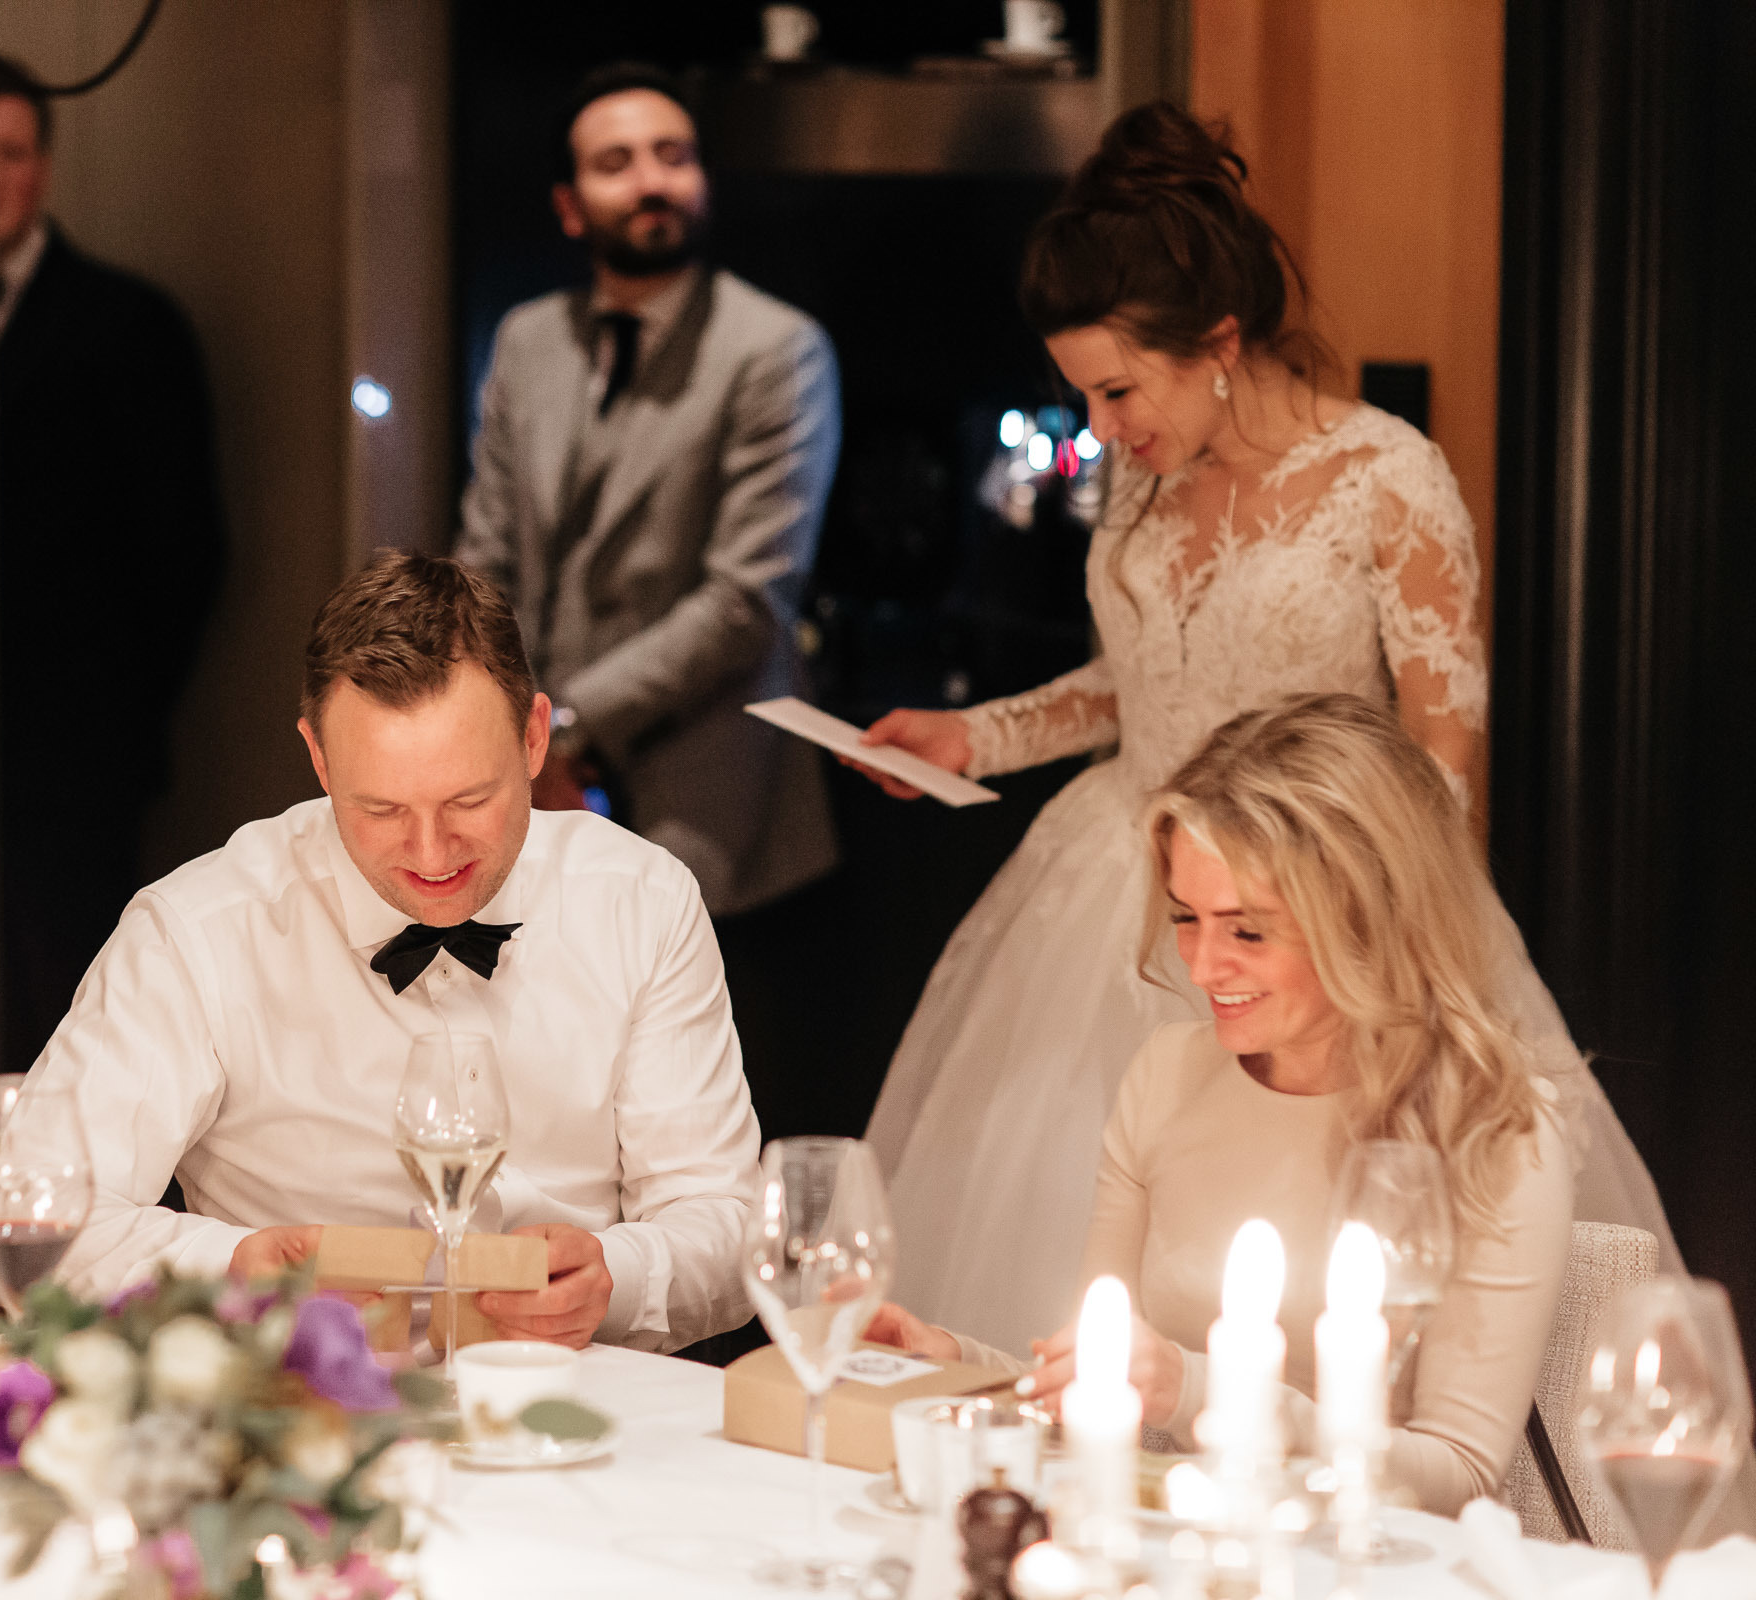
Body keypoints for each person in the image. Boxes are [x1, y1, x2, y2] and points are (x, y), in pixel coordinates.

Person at [853, 102, 1673, 1355]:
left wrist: (1381, 962)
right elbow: (1142, 680)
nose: (1102, 429)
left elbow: (1440, 763)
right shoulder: (1141, 480)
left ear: (1220, 343)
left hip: (1314, 900)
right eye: (1085, 396)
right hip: (1119, 877)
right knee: (1051, 1245)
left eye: (1118, 389)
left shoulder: (1387, 480)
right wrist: (978, 738)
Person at [0, 553, 762, 1353]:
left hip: (581, 1400)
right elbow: (3, 1235)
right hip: (293, 1407)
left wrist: (620, 1277)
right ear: (318, 758)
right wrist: (229, 1272)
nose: (432, 852)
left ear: (534, 738)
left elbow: (726, 1223)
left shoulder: (643, 902)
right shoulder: (197, 932)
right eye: (380, 808)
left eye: (469, 800)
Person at [870, 695, 1570, 1515]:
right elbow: (1111, 1378)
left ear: (1367, 919)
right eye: (1186, 918)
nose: (1201, 968)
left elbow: (1457, 1473)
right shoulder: (1167, 1075)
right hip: (1174, 1538)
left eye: (1247, 931)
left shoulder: (1495, 1127)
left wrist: (1194, 1387)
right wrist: (953, 1363)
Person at [453, 62, 840, 922]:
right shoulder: (528, 340)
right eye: (616, 162)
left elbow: (745, 602)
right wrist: (508, 731)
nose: (652, 181)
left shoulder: (777, 348)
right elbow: (486, 559)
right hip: (529, 773)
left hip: (705, 786)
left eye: (673, 155)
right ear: (569, 206)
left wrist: (566, 729)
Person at [0, 54, 225, 1071]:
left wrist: (112, 716)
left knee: (75, 1021)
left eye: (9, 153)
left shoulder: (128, 324)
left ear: (43, 167)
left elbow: (186, 551)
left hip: (78, 756)